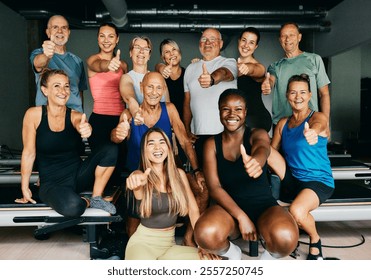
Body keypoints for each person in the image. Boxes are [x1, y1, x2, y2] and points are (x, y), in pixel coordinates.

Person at [194, 88, 299, 260]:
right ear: (219, 111)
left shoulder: (257, 134)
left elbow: (262, 147)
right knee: (205, 234)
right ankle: (233, 254)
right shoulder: (211, 144)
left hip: (264, 208)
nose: (231, 114)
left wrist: (257, 161)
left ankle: (266, 261)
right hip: (229, 210)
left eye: (238, 109)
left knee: (285, 239)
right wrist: (242, 217)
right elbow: (214, 188)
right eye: (226, 109)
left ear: (245, 112)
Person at [112, 72, 206, 244]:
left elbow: (185, 142)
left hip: (166, 174)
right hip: (139, 176)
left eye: (158, 88)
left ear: (163, 90)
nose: (154, 92)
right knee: (132, 229)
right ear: (141, 87)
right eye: (149, 86)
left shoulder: (169, 109)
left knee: (201, 191)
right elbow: (116, 136)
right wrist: (119, 133)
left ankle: (188, 238)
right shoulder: (129, 113)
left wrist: (197, 171)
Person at [15, 69, 117, 217]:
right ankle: (85, 201)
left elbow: (80, 123)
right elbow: (29, 153)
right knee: (73, 207)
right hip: (51, 184)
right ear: (45, 90)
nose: (63, 91)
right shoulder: (33, 115)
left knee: (110, 149)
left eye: (66, 86)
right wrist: (24, 187)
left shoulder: (75, 115)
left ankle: (96, 198)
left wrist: (85, 129)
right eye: (57, 86)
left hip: (77, 176)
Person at [124, 127, 218, 260]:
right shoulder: (142, 177)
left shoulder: (179, 175)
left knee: (212, 261)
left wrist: (201, 244)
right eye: (151, 143)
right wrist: (135, 178)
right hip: (142, 244)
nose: (157, 147)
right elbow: (137, 184)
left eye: (162, 142)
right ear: (144, 150)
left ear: (168, 147)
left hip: (169, 246)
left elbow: (192, 210)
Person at [268, 74, 334, 260]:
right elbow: (272, 152)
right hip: (292, 179)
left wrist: (313, 133)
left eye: (303, 92)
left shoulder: (317, 118)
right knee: (264, 147)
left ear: (310, 95)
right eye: (293, 92)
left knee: (296, 211)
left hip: (317, 181)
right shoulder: (283, 124)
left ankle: (315, 239)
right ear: (287, 95)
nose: (298, 97)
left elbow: (319, 125)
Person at [183, 28, 237, 167]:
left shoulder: (229, 62)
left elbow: (225, 73)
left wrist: (212, 79)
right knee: (203, 181)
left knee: (225, 180)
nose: (207, 42)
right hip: (199, 135)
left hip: (225, 134)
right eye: (204, 39)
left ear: (220, 43)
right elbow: (187, 102)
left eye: (212, 39)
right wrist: (187, 130)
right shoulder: (190, 68)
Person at [261, 22, 331, 127]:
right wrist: (267, 85)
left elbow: (324, 94)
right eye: (284, 36)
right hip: (282, 125)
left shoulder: (314, 59)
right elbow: (270, 80)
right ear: (280, 40)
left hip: (309, 122)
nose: (287, 39)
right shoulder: (275, 66)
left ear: (299, 37)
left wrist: (325, 123)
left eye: (291, 35)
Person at [86, 22, 128, 187]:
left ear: (117, 39)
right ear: (97, 39)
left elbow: (126, 90)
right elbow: (99, 65)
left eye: (111, 36)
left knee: (118, 167)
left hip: (120, 120)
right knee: (101, 168)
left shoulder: (123, 65)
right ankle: (98, 201)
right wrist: (108, 65)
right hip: (99, 121)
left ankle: (116, 207)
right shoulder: (92, 60)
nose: (106, 40)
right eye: (102, 36)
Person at [30, 15, 87, 112]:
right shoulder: (39, 53)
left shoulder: (77, 61)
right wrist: (46, 55)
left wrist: (81, 114)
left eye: (64, 28)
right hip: (48, 116)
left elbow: (79, 92)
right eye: (55, 27)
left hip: (74, 116)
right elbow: (38, 64)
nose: (60, 31)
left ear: (68, 33)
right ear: (48, 32)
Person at [119, 35, 168, 125]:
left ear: (149, 56)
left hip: (160, 127)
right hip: (138, 124)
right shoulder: (126, 78)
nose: (141, 51)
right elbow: (130, 99)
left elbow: (168, 106)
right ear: (130, 53)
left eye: (146, 49)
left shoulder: (158, 78)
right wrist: (136, 114)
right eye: (137, 47)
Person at [155, 39, 187, 166]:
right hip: (165, 125)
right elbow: (157, 66)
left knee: (181, 161)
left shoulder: (188, 73)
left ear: (179, 52)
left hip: (184, 124)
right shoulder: (160, 75)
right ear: (163, 58)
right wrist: (161, 68)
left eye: (174, 49)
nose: (171, 53)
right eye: (167, 52)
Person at [237, 27, 272, 132]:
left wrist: (247, 69)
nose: (246, 45)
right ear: (239, 41)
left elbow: (257, 70)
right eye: (244, 40)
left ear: (256, 46)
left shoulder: (258, 66)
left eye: (251, 42)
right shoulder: (232, 64)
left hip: (256, 119)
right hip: (239, 120)